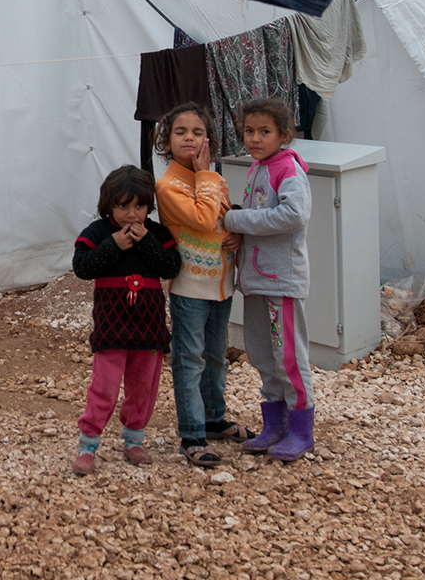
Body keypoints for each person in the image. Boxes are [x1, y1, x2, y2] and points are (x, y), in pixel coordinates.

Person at [155, 103, 250, 468]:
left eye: (197, 132)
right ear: (167, 140)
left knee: (215, 356)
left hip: (222, 285)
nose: (190, 138)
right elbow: (204, 215)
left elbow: (222, 219)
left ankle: (213, 417)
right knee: (189, 360)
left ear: (207, 138)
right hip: (190, 288)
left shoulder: (213, 179)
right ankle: (191, 433)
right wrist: (206, 175)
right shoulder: (168, 186)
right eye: (181, 132)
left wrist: (236, 235)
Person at [70, 166, 182, 475]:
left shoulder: (157, 234)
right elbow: (82, 266)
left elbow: (171, 266)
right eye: (122, 206)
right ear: (108, 205)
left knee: (143, 387)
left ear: (149, 206)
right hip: (111, 327)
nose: (131, 214)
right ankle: (89, 442)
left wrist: (146, 241)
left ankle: (134, 439)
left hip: (149, 329)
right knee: (103, 387)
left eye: (139, 206)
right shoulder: (97, 233)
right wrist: (113, 245)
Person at [221, 97, 315, 461]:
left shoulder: (287, 169)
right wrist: (240, 233)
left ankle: (301, 431)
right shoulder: (258, 168)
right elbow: (262, 213)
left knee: (289, 356)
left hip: (282, 281)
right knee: (262, 353)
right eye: (249, 131)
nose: (255, 138)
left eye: (264, 131)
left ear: (284, 135)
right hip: (259, 279)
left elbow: (293, 214)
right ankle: (275, 425)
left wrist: (236, 222)